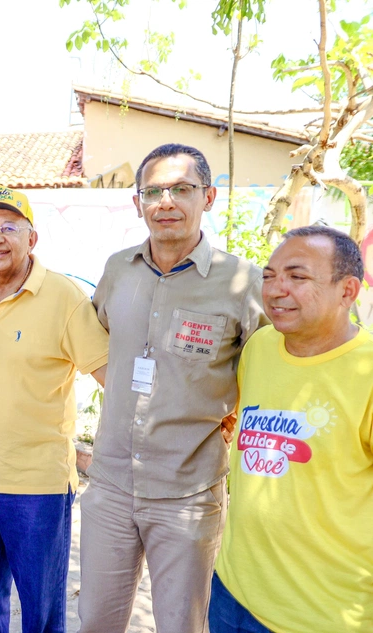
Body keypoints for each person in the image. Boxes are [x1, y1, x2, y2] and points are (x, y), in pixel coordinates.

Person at [78, 143, 269, 633]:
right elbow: (102, 332)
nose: (166, 202)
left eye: (181, 189)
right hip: (111, 486)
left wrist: (234, 414)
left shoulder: (242, 282)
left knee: (182, 624)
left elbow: (268, 367)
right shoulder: (118, 269)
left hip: (188, 493)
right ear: (137, 202)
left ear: (208, 196)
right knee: (96, 620)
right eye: (153, 191)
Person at [0, 186, 108, 633]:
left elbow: (109, 375)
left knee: (41, 609)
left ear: (31, 238)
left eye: (9, 228)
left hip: (38, 485)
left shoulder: (63, 296)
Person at [210, 226, 373, 633]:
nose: (276, 290)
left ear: (348, 291)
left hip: (322, 614)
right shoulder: (261, 347)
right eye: (268, 276)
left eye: (297, 277)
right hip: (232, 590)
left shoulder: (366, 372)